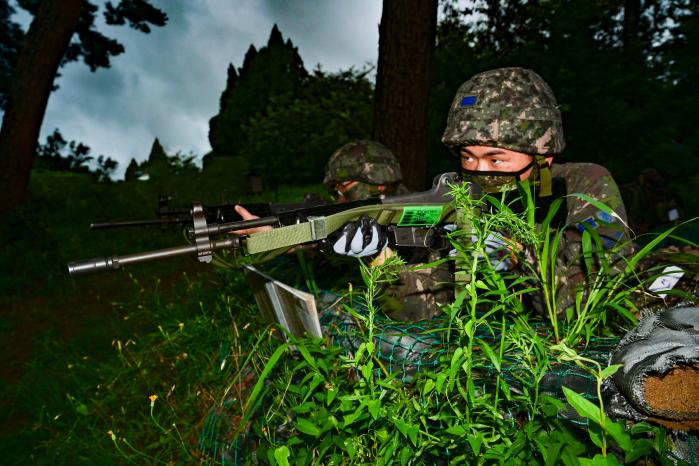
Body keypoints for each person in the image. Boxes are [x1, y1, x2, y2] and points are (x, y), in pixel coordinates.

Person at [333, 67, 631, 317]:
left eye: (495, 158)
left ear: (543, 156)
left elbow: (603, 299)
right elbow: (422, 312)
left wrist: (520, 255)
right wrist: (381, 259)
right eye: (467, 157)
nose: (478, 169)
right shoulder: (461, 198)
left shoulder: (584, 185)